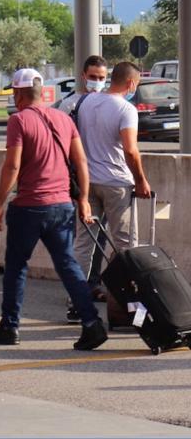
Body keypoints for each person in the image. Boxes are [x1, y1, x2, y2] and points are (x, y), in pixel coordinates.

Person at [0, 68, 108, 351]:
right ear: (42, 93)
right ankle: (91, 322)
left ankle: (9, 326)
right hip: (62, 205)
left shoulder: (18, 121)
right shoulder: (64, 119)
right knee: (67, 265)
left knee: (16, 267)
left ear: (18, 93)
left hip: (29, 206)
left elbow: (13, 165)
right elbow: (81, 162)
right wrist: (84, 198)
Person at [68, 61, 151, 321]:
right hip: (116, 184)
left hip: (87, 182)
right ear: (130, 83)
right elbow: (130, 150)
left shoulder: (85, 103)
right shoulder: (126, 109)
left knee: (83, 244)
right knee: (125, 245)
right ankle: (128, 304)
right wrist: (141, 180)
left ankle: (76, 303)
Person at [58, 55, 109, 305]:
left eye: (102, 78)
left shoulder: (110, 104)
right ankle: (76, 287)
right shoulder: (70, 106)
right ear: (83, 76)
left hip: (102, 178)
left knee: (99, 233)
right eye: (93, 77)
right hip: (77, 178)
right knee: (80, 237)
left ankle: (93, 283)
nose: (97, 82)